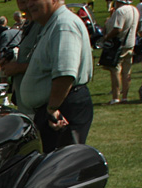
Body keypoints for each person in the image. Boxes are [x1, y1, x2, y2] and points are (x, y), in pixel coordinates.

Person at [20, 0, 94, 152]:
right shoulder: (52, 24)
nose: (29, 4)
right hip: (57, 106)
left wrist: (52, 108)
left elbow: (65, 73)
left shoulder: (63, 25)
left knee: (63, 165)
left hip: (62, 108)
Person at [0, 0, 44, 114]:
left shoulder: (42, 24)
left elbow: (48, 63)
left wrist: (17, 68)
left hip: (39, 105)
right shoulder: (29, 23)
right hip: (26, 103)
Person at [103, 0, 140, 102]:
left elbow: (118, 29)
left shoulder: (120, 11)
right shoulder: (134, 9)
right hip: (130, 44)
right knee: (127, 72)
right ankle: (125, 97)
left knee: (115, 71)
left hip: (120, 45)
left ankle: (116, 97)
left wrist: (106, 37)